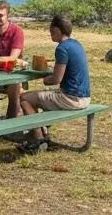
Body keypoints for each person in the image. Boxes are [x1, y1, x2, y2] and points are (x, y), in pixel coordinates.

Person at [16, 14, 92, 154]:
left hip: (71, 99)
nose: (50, 34)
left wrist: (46, 80)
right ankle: (41, 129)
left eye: (51, 31)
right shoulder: (76, 44)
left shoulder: (62, 48)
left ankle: (39, 140)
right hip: (85, 97)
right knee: (37, 97)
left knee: (24, 98)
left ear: (57, 30)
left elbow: (56, 79)